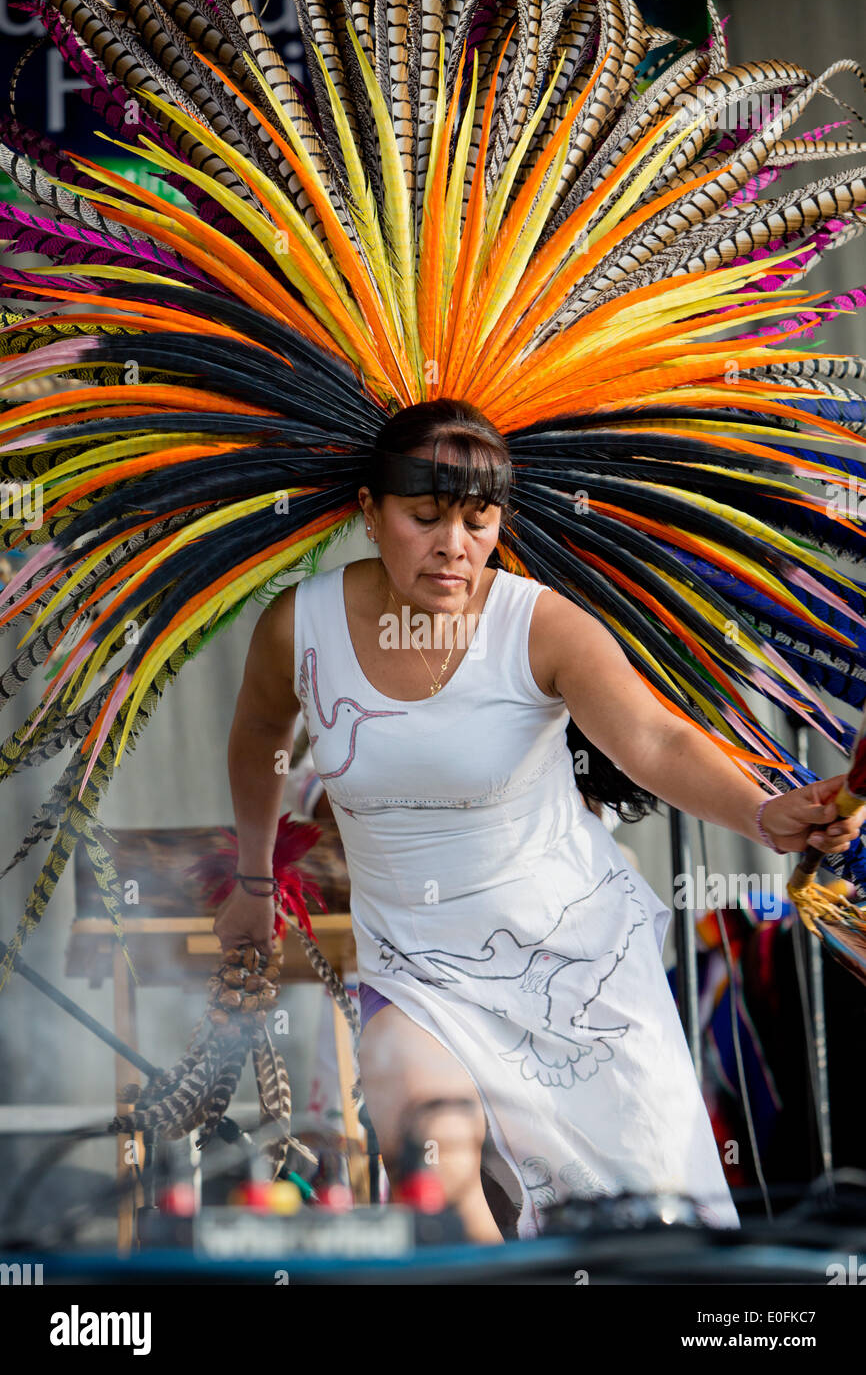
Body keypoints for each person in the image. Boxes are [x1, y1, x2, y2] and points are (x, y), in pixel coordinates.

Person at [214, 399, 866, 1243]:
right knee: (426, 1143)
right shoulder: (298, 628)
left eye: (479, 521)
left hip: (578, 967)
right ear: (370, 513)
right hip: (417, 974)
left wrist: (763, 811)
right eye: (425, 517)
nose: (455, 544)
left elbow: (656, 740)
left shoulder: (541, 626)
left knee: (652, 1228)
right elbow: (261, 734)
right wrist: (255, 884)